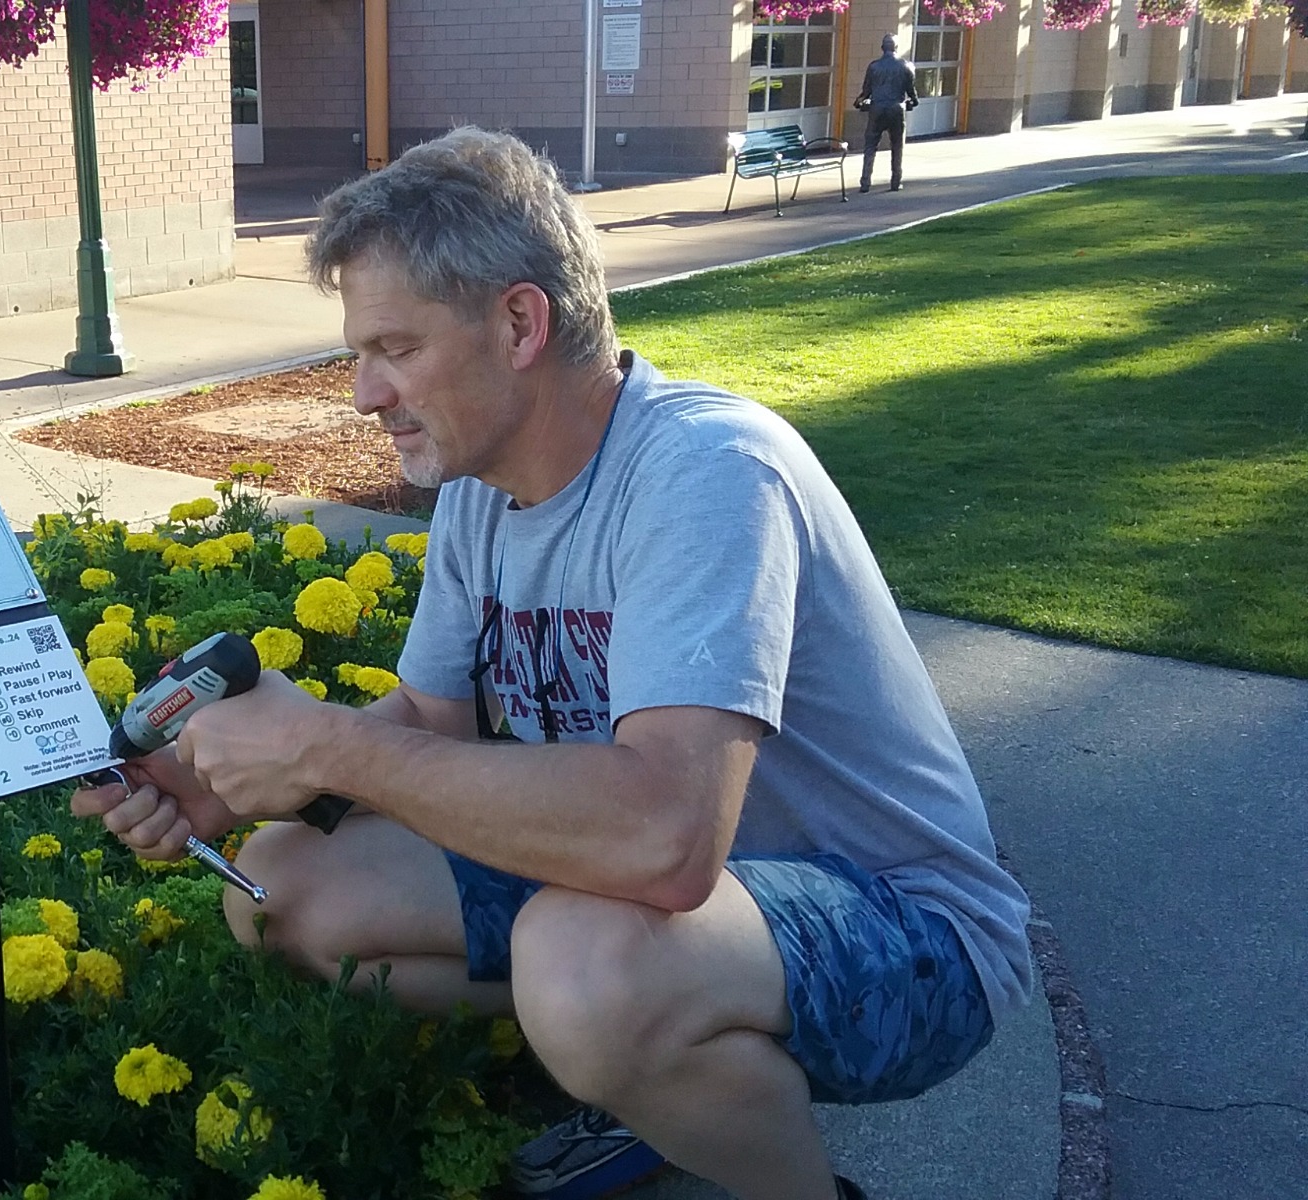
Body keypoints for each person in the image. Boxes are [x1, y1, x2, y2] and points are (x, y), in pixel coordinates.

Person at [72, 127, 1031, 1200]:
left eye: (394, 348)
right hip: (666, 906)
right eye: (359, 353)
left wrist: (326, 741)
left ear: (519, 322)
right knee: (283, 890)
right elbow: (434, 730)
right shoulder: (481, 492)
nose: (362, 394)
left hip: (906, 933)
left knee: (582, 963)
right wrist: (238, 786)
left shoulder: (706, 473)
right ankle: (650, 1090)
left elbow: (664, 841)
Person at [854, 34, 919, 193]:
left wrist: (859, 102)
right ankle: (896, 181)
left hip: (877, 110)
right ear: (896, 48)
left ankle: (865, 182)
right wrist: (913, 102)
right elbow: (911, 92)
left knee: (870, 146)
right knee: (897, 147)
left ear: (882, 48)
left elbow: (866, 91)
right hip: (896, 110)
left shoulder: (874, 66)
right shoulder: (906, 66)